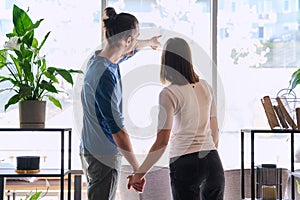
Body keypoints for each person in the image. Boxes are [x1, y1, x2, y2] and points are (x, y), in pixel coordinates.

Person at [127, 37, 225, 200]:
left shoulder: (169, 93)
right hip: (213, 162)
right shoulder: (206, 87)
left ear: (167, 62)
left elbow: (162, 142)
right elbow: (214, 130)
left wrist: (139, 174)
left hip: (185, 163)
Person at [80, 7, 161, 200]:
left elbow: (131, 49)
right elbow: (118, 130)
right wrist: (137, 170)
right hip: (104, 156)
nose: (137, 41)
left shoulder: (99, 60)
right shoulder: (106, 76)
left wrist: (149, 43)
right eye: (137, 36)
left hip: (91, 150)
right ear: (127, 40)